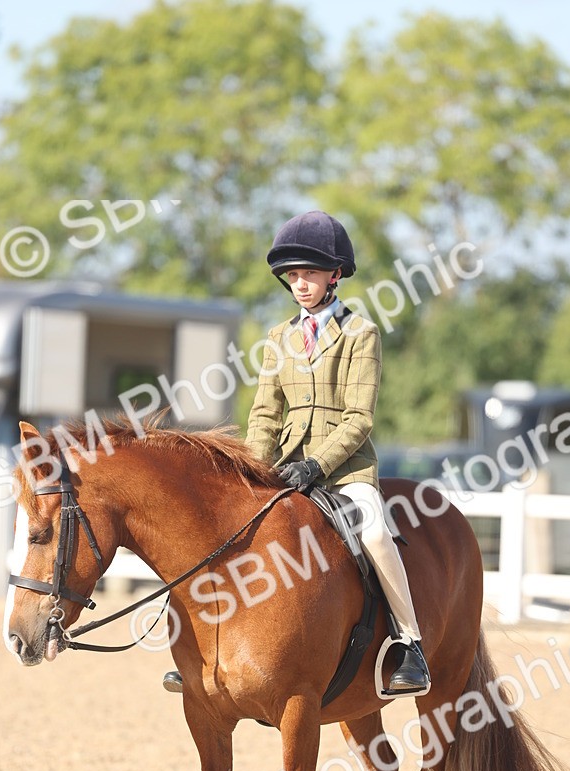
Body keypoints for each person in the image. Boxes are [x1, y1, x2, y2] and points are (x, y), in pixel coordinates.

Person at [163, 211, 430, 695]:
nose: (300, 283)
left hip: (345, 471)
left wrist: (317, 465)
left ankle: (409, 644)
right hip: (284, 468)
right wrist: (250, 470)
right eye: (293, 275)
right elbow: (265, 414)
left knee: (374, 534)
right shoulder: (279, 338)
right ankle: (206, 648)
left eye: (309, 273)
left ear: (334, 275)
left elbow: (359, 418)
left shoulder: (360, 334)